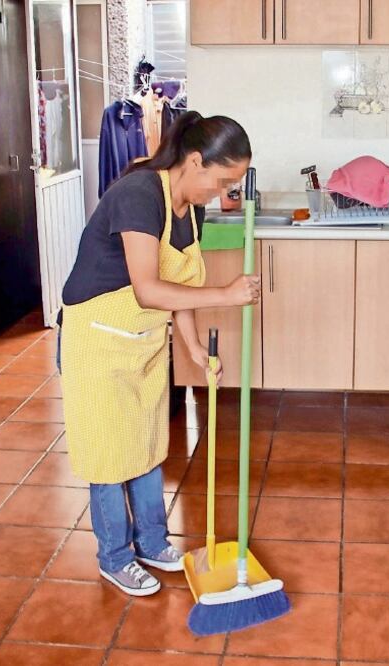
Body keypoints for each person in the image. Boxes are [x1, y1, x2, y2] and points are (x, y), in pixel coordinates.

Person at [59, 111, 259, 596]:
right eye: (223, 181)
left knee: (147, 445)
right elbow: (149, 289)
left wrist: (194, 349)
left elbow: (179, 286)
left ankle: (151, 542)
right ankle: (115, 556)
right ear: (196, 161)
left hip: (143, 341)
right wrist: (225, 294)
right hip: (98, 340)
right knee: (109, 454)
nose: (225, 192)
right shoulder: (139, 195)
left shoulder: (192, 208)